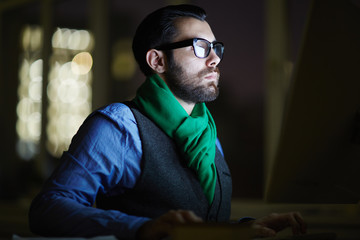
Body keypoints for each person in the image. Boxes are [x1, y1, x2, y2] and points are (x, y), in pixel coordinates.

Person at [29, 4, 306, 240]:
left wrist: (245, 230)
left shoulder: (209, 137)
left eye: (216, 48)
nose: (214, 59)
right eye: (201, 47)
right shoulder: (120, 125)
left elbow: (197, 226)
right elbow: (48, 209)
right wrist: (142, 228)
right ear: (157, 60)